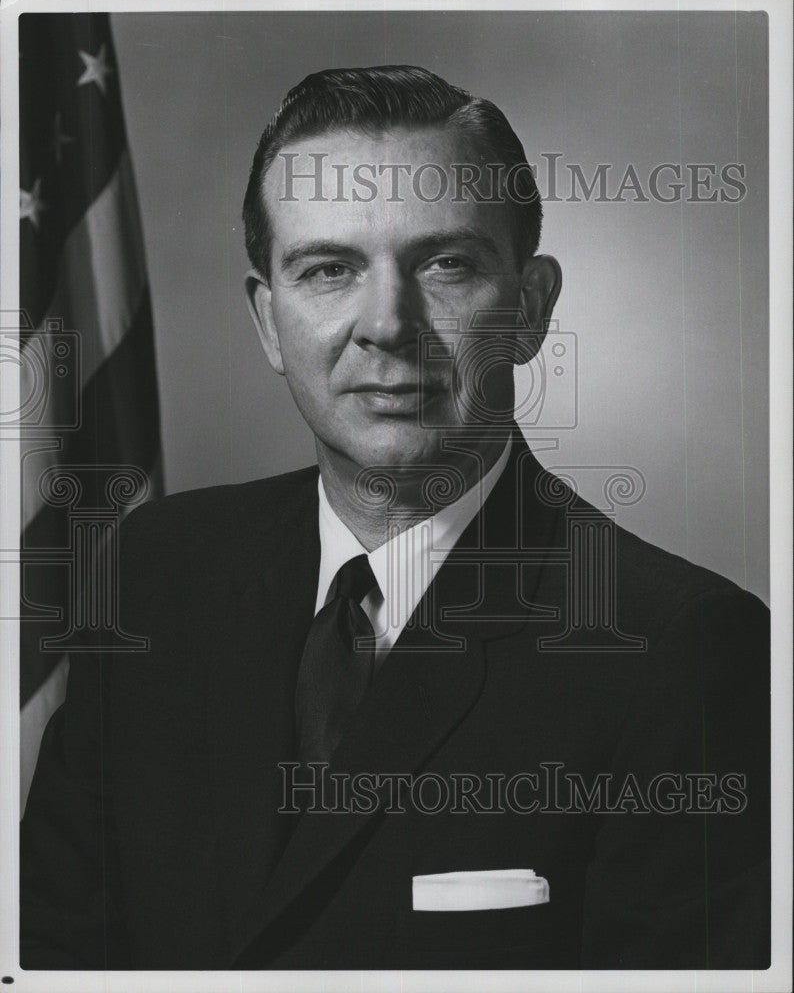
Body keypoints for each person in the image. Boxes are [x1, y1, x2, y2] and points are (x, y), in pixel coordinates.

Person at [21, 65, 770, 971]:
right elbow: (52, 955)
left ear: (530, 309)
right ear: (267, 321)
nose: (387, 324)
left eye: (445, 263)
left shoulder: (681, 650)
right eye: (329, 268)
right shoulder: (154, 574)